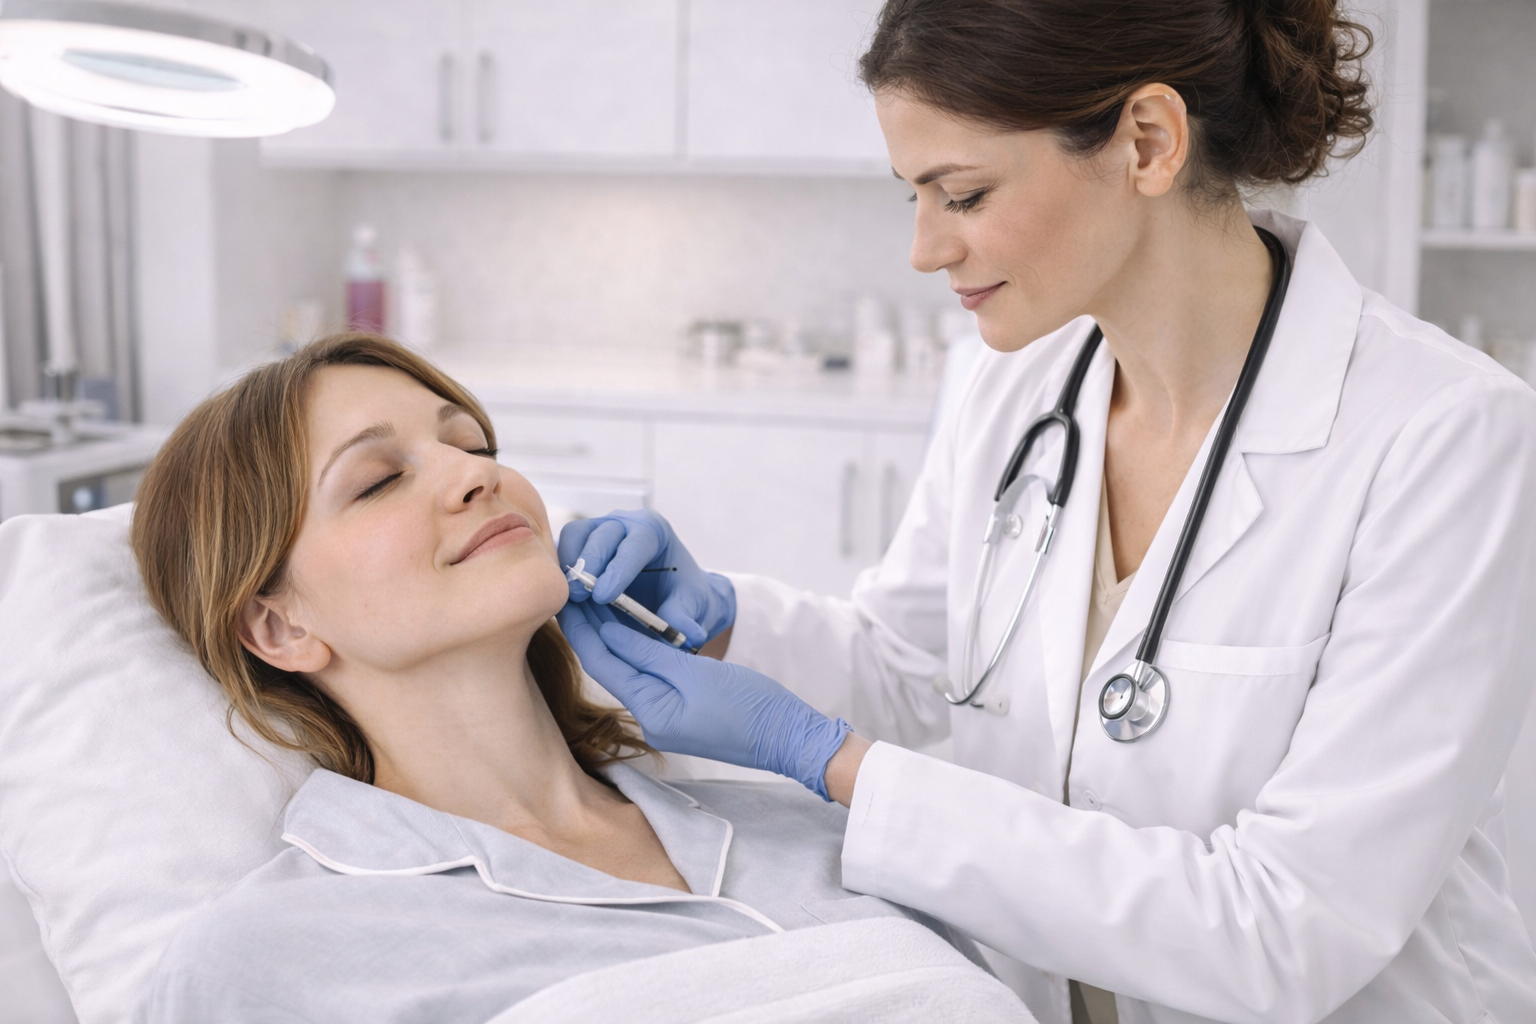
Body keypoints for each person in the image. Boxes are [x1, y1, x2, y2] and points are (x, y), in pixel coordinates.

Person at [556, 1, 1536, 1022]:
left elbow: (1288, 930)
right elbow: (919, 670)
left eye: (964, 194)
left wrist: (829, 760)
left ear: (1147, 143)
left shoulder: (1440, 435)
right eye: (915, 198)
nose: (926, 248)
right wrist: (727, 629)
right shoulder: (1014, 387)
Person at [128, 334, 986, 1023]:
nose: (478, 474)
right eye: (380, 480)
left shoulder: (810, 826)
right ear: (279, 626)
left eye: (471, 442)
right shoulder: (267, 957)